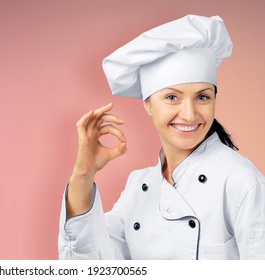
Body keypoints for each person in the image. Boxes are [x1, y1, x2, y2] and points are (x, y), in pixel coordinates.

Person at [58, 14, 265, 260]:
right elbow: (89, 263)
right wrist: (84, 173)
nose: (189, 115)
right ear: (147, 103)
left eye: (202, 97)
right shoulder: (139, 187)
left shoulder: (241, 181)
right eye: (172, 97)